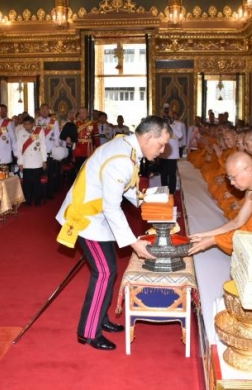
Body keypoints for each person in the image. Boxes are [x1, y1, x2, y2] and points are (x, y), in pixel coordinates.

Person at [56, 115, 171, 351]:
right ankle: (88, 331)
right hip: (86, 218)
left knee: (109, 270)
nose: (161, 151)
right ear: (148, 136)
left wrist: (148, 202)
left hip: (99, 217)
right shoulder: (122, 158)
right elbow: (111, 206)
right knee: (105, 271)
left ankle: (101, 318)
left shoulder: (127, 149)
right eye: (160, 145)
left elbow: (125, 189)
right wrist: (133, 243)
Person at [16, 116, 47, 206]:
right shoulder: (20, 132)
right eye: (24, 124)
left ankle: (37, 201)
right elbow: (19, 148)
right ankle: (28, 201)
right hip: (26, 162)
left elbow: (43, 146)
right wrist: (20, 162)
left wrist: (44, 160)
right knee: (27, 183)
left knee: (37, 183)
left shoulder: (39, 131)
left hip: (37, 161)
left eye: (28, 124)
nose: (26, 126)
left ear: (32, 123)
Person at [36, 103, 61, 198]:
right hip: (39, 152)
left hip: (50, 151)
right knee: (40, 173)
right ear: (40, 110)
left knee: (50, 173)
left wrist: (56, 150)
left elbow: (56, 136)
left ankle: (49, 193)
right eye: (42, 109)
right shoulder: (36, 121)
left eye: (46, 109)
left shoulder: (54, 122)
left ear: (49, 110)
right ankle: (41, 193)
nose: (44, 111)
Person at [159, 113, 183, 194]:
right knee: (163, 174)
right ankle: (164, 191)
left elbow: (180, 135)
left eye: (168, 119)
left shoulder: (176, 126)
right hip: (163, 154)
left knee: (172, 174)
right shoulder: (161, 128)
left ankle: (172, 192)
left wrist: (171, 126)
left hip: (173, 155)